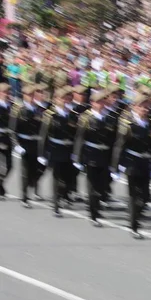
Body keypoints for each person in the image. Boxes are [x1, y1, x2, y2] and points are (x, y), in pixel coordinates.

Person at [111, 93, 151, 239]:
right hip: (132, 163)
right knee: (134, 196)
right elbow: (120, 145)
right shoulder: (128, 124)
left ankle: (136, 216)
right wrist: (117, 166)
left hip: (146, 163)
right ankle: (134, 225)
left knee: (145, 196)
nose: (145, 109)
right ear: (135, 107)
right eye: (142, 106)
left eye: (147, 106)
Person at [72, 91, 116, 226]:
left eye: (103, 101)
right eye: (98, 102)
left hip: (105, 155)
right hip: (91, 155)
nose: (101, 104)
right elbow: (79, 138)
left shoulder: (110, 118)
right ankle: (93, 214)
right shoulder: (85, 118)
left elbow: (113, 139)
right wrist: (77, 157)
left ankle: (97, 205)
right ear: (92, 103)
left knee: (102, 186)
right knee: (92, 186)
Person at [38, 88, 78, 217]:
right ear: (56, 99)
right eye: (62, 98)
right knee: (57, 178)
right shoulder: (49, 115)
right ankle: (56, 205)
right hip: (55, 149)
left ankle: (63, 195)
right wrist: (42, 153)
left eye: (67, 98)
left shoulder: (73, 115)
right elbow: (43, 135)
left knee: (68, 179)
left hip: (68, 150)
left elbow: (76, 135)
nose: (65, 101)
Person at [10, 84, 46, 208]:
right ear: (24, 96)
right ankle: (24, 197)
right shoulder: (18, 109)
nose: (31, 97)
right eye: (28, 95)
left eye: (32, 95)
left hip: (37, 144)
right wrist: (17, 145)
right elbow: (12, 130)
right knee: (25, 171)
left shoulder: (39, 110)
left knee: (38, 169)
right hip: (24, 144)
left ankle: (33, 185)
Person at [0, 83, 12, 199]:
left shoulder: (12, 106)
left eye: (8, 92)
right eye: (4, 92)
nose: (7, 94)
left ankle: (1, 183)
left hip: (9, 138)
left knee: (10, 165)